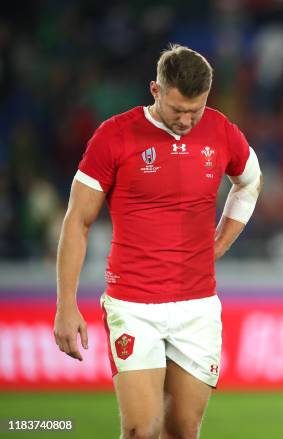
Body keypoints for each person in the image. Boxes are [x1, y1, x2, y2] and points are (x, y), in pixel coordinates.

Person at [53, 44, 263, 439]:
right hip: (133, 305)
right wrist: (66, 306)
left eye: (194, 111)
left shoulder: (220, 130)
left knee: (183, 430)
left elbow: (250, 182)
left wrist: (220, 241)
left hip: (197, 305)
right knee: (141, 429)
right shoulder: (114, 136)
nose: (185, 120)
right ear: (155, 91)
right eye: (177, 109)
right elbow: (76, 222)